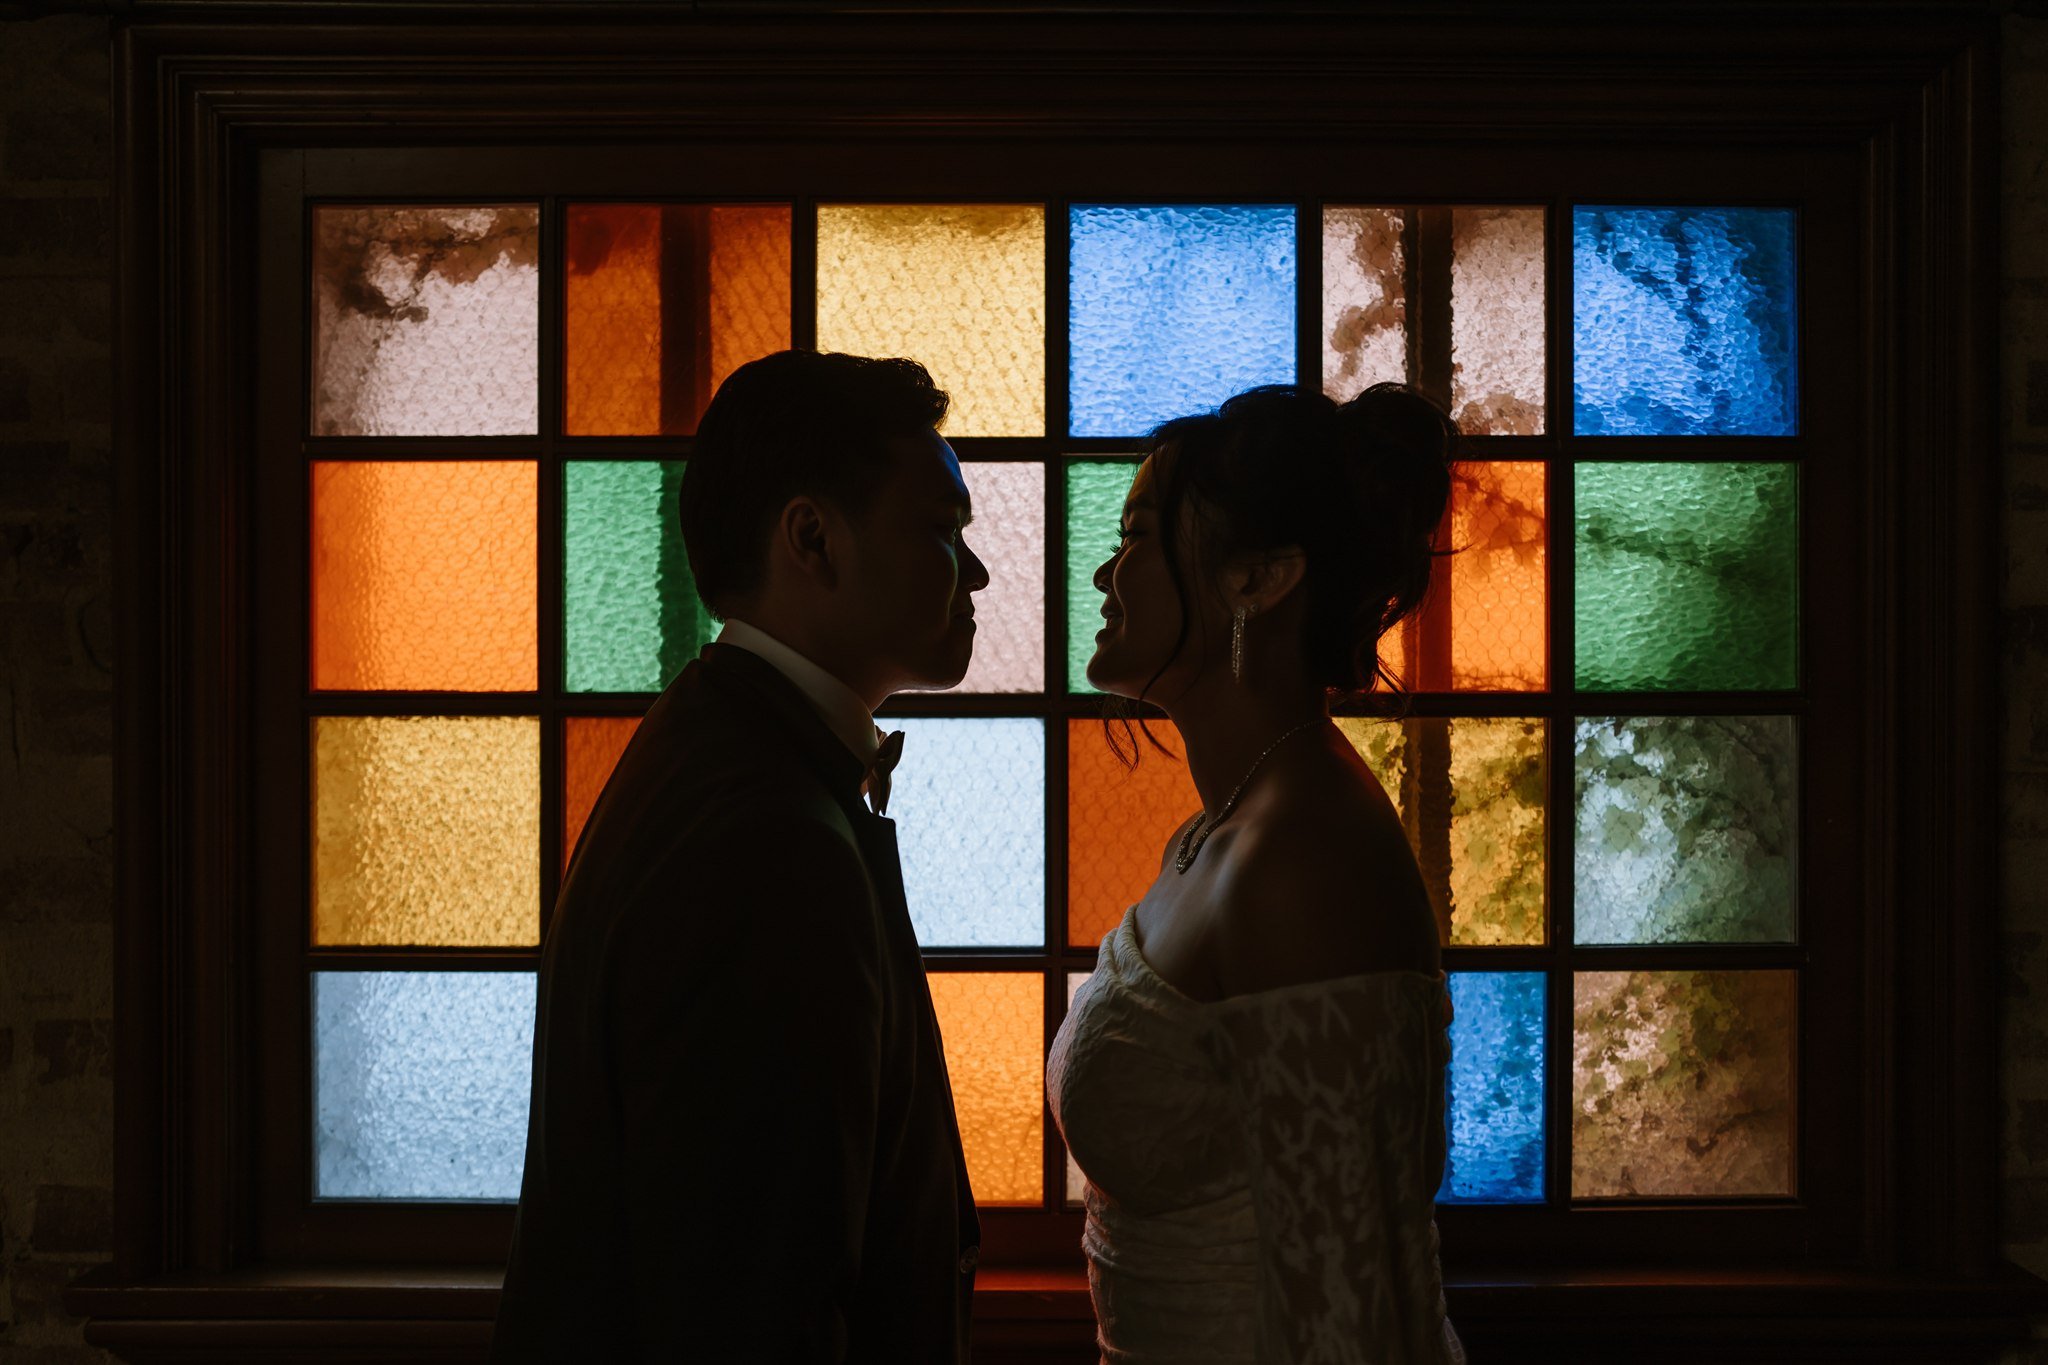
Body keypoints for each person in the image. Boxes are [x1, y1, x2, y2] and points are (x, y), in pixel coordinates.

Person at [494, 351, 988, 1363]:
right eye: (942, 531)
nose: (974, 572)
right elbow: (757, 1293)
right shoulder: (763, 838)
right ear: (811, 537)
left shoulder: (716, 750)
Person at [1046, 382, 1467, 1364]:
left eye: (1140, 535)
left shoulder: (1303, 861)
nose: (1107, 574)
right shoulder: (1225, 826)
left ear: (1260, 579)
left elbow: (1352, 1318)